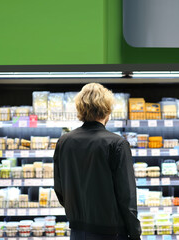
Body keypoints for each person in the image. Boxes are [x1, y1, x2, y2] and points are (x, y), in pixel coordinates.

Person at [54, 83, 141, 240]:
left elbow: (60, 189)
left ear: (80, 109)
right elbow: (126, 196)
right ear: (107, 111)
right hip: (111, 233)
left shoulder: (64, 142)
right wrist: (135, 233)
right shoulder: (117, 144)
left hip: (78, 231)